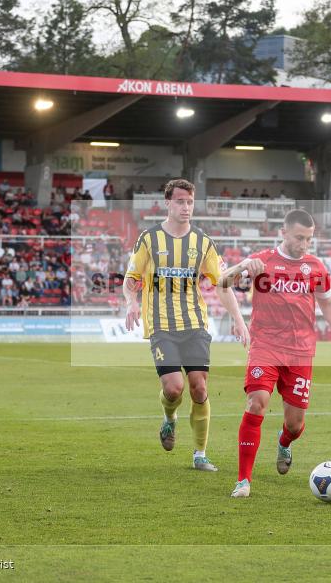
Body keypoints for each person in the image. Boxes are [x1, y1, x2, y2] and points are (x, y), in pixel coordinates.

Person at [218, 208, 331, 498]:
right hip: (265, 347)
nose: (304, 244)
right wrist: (243, 265)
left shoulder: (316, 267)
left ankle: (284, 442)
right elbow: (222, 282)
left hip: (300, 353)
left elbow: (328, 305)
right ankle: (243, 481)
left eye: (308, 239)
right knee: (256, 402)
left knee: (295, 424)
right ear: (283, 233)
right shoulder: (262, 261)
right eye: (299, 237)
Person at [124, 179, 249, 472]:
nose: (186, 207)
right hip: (161, 325)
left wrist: (239, 320)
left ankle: (200, 454)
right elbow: (130, 281)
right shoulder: (149, 239)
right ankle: (169, 419)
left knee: (199, 389)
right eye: (180, 201)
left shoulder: (203, 242)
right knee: (173, 389)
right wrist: (131, 301)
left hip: (195, 324)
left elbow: (223, 284)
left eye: (190, 202)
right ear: (168, 203)